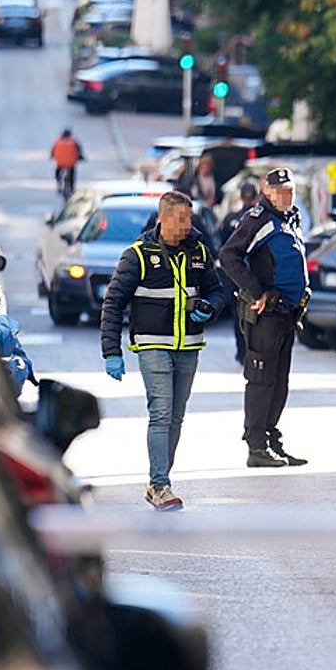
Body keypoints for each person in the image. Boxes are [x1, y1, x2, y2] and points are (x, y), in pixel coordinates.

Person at [99, 190, 224, 511]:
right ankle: (160, 485)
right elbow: (113, 303)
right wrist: (111, 351)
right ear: (165, 218)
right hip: (153, 345)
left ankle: (159, 480)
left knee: (176, 417)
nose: (188, 224)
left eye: (190, 217)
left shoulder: (199, 250)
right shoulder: (137, 255)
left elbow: (217, 289)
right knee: (161, 414)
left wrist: (211, 307)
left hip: (189, 346)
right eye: (182, 218)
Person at [218, 167, 310, 468]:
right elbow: (229, 255)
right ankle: (256, 447)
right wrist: (256, 291)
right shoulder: (259, 219)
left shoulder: (288, 219)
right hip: (267, 314)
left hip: (287, 313)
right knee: (261, 380)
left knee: (279, 382)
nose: (285, 195)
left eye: (289, 190)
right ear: (266, 191)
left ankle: (271, 441)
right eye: (279, 190)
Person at [217, 181, 260, 365]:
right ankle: (251, 351)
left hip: (233, 273)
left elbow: (222, 247)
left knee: (238, 315)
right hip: (254, 273)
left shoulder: (230, 218)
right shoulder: (260, 219)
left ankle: (241, 352)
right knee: (256, 315)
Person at [50, 128, 84, 197]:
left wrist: (52, 156)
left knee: (58, 171)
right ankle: (71, 187)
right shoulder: (74, 142)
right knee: (72, 173)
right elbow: (79, 151)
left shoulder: (57, 141)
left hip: (60, 163)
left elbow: (53, 151)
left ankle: (59, 182)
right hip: (71, 163)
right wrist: (81, 157)